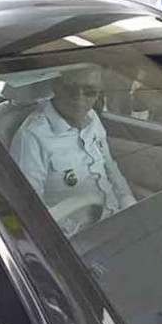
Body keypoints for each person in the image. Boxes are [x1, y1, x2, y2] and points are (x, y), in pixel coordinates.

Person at [9, 69, 136, 236]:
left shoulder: (92, 118)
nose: (80, 99)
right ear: (55, 86)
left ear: (98, 93)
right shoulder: (33, 136)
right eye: (71, 89)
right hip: (76, 235)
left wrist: (128, 202)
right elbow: (29, 206)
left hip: (115, 218)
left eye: (90, 91)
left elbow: (110, 167)